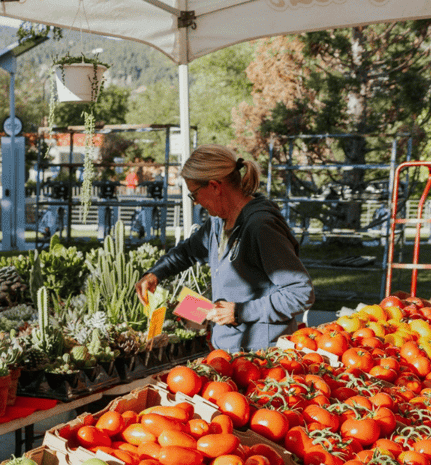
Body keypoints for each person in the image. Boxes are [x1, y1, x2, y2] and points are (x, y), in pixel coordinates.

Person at [134, 145, 314, 353]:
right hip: (229, 350)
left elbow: (300, 293)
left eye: (194, 195)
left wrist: (240, 312)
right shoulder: (219, 223)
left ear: (215, 186)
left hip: (262, 355)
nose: (196, 203)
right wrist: (155, 273)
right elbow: (188, 251)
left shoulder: (260, 227)